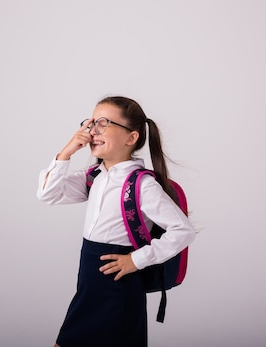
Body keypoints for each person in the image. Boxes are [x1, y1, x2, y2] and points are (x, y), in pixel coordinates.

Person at [37, 96, 196, 347]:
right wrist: (66, 152)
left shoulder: (142, 184)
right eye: (90, 123)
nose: (92, 131)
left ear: (130, 138)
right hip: (89, 285)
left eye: (103, 123)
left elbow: (183, 230)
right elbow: (49, 194)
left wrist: (136, 260)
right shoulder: (94, 176)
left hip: (119, 287)